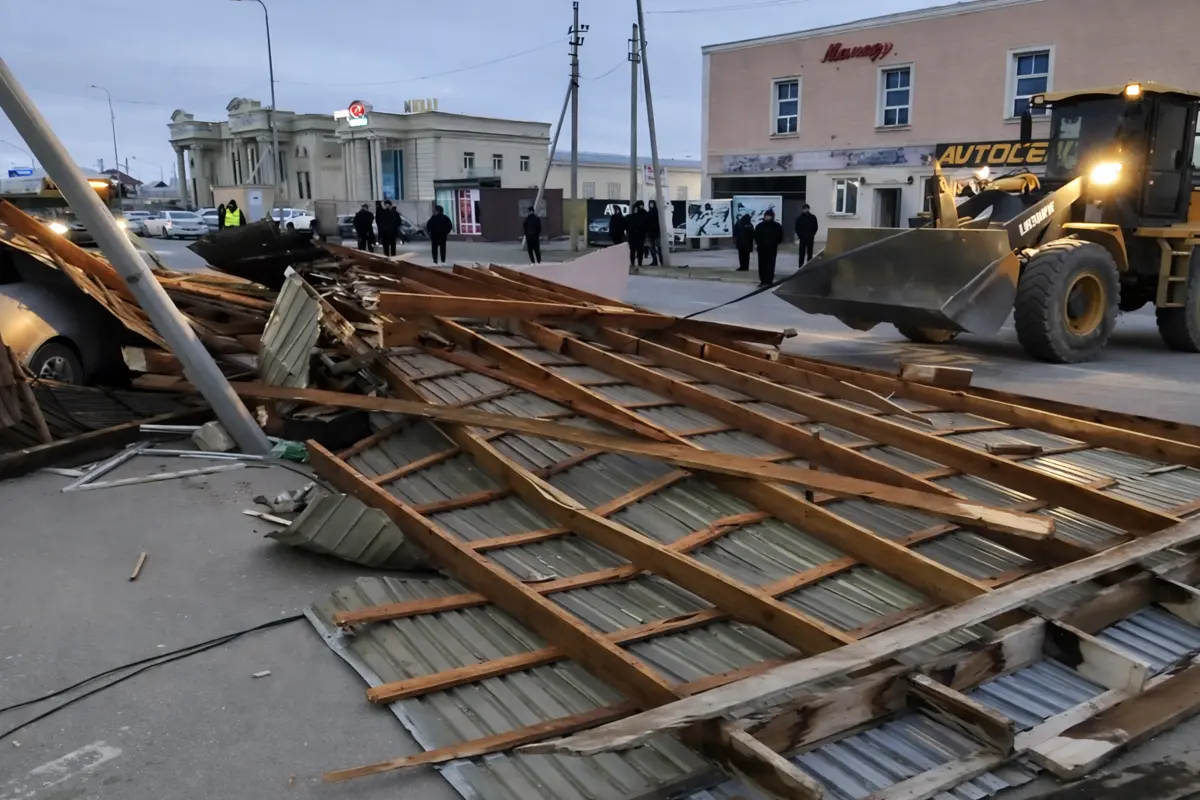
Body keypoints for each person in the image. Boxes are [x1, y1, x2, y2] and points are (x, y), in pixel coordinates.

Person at [753, 209, 784, 287]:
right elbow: (756, 236)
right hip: (761, 248)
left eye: (769, 216)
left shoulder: (777, 226)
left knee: (771, 265)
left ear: (772, 217)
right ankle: (762, 280)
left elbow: (780, 236)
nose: (767, 217)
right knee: (762, 264)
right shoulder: (759, 226)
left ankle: (769, 281)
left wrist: (777, 243)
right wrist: (756, 244)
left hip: (772, 248)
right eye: (766, 216)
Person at [626, 201, 649, 269]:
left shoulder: (644, 214)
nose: (641, 207)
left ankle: (639, 263)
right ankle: (632, 263)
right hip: (633, 235)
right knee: (632, 250)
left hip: (640, 235)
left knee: (640, 250)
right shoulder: (631, 217)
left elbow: (646, 224)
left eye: (642, 205)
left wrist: (642, 230)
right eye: (640, 206)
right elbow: (628, 225)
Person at [646, 200, 663, 266]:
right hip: (651, 233)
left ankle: (660, 260)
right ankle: (655, 261)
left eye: (652, 204)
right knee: (652, 248)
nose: (651, 205)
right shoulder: (651, 212)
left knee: (657, 248)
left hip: (655, 232)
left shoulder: (656, 213)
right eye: (650, 204)